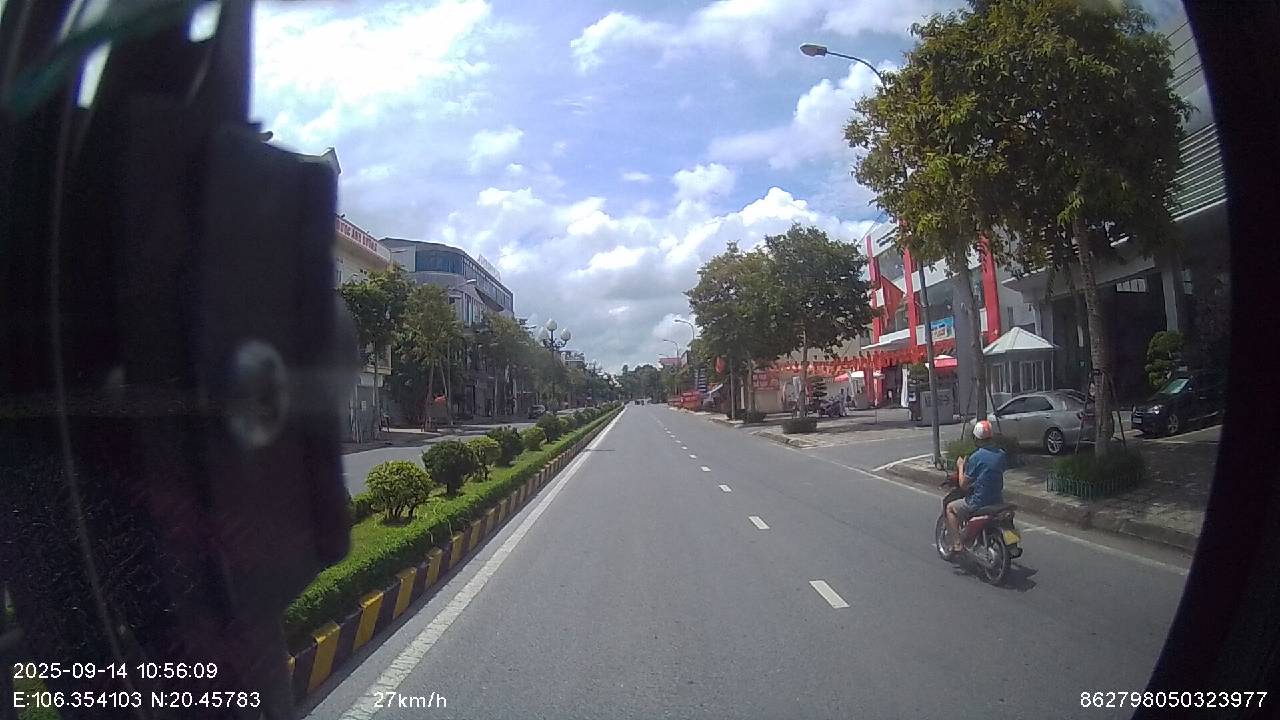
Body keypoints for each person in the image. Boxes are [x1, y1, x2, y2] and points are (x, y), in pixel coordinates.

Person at [946, 419, 1006, 553]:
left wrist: (961, 466)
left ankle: (957, 544)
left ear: (976, 439)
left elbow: (963, 485)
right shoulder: (1001, 454)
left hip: (979, 502)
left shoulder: (976, 457)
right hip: (997, 500)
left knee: (950, 508)